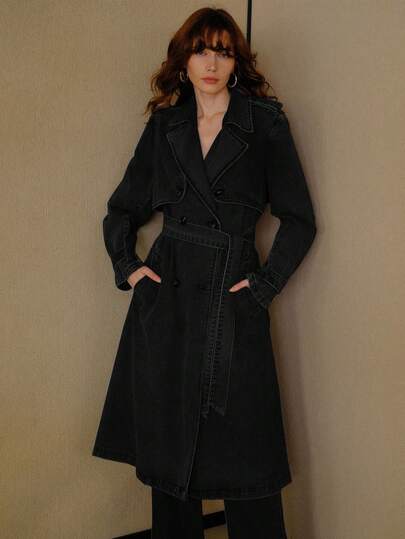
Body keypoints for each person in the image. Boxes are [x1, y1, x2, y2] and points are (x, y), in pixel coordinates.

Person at [92, 7, 317, 539]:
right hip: (168, 303)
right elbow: (122, 209)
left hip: (232, 297)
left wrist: (262, 287)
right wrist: (131, 268)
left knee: (248, 457)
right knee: (169, 459)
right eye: (200, 51)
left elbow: (300, 220)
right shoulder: (165, 127)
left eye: (222, 51)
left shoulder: (264, 124)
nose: (211, 63)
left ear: (236, 62)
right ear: (184, 61)